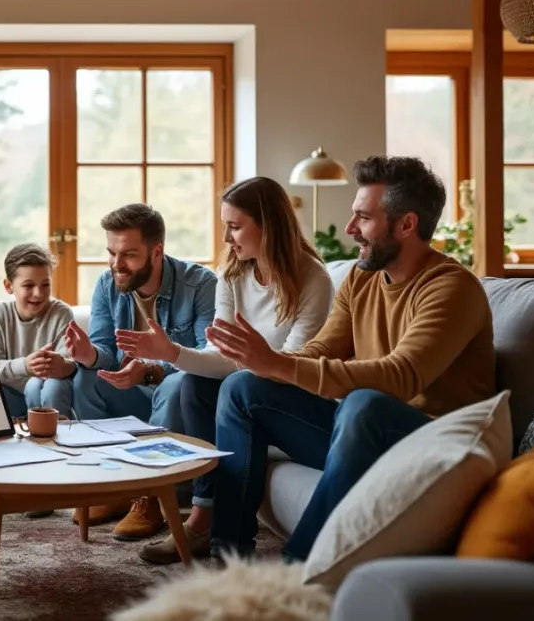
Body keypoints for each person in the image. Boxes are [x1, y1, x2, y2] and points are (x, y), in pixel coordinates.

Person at [204, 155, 496, 563]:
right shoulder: (363, 277)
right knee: (242, 388)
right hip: (362, 429)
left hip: (432, 440)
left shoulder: (451, 289)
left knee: (365, 402)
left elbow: (401, 376)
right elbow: (321, 349)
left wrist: (281, 365)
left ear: (406, 224)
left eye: (363, 217)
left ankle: (299, 568)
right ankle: (228, 553)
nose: (349, 228)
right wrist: (267, 360)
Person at [113, 177, 335, 564]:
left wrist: (240, 360)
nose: (228, 239)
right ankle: (204, 516)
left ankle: (222, 540)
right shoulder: (232, 273)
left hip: (291, 399)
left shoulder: (312, 279)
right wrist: (173, 353)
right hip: (245, 388)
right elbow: (219, 353)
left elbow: (294, 363)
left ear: (268, 224)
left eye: (235, 227)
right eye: (225, 227)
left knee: (238, 384)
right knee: (195, 384)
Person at [64, 203, 217, 541]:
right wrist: (88, 355)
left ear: (157, 251)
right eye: (111, 253)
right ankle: (113, 486)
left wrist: (149, 370)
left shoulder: (201, 284)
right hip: (134, 396)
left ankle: (151, 495)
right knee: (87, 377)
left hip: (176, 400)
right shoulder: (107, 284)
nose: (117, 264)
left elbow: (206, 357)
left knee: (179, 383)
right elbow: (105, 353)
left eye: (129, 255)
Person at [0, 243, 76, 419]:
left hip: (47, 390)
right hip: (10, 394)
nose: (38, 293)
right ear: (9, 286)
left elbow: (69, 362)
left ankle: (59, 435)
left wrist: (60, 364)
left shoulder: (61, 313)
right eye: (28, 285)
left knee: (46, 386)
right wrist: (25, 366)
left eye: (45, 284)